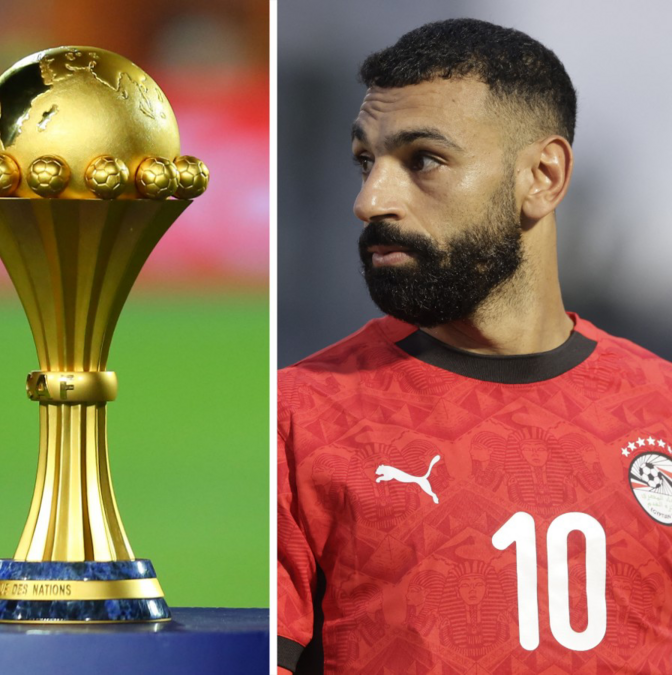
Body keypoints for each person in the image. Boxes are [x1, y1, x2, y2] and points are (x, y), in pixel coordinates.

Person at [278, 18, 672, 674]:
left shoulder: (660, 406)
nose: (370, 200)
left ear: (543, 176)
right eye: (365, 162)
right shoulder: (299, 416)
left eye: (423, 160)